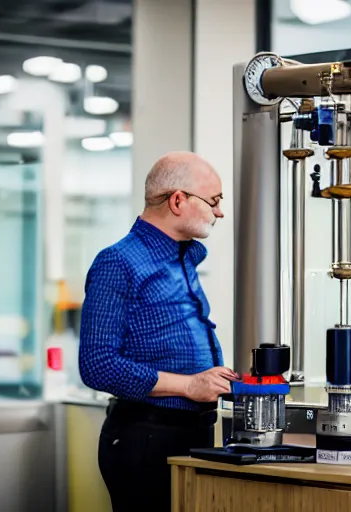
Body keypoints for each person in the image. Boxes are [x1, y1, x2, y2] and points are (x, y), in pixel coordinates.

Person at [79, 151, 239, 512]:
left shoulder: (182, 258)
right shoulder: (117, 263)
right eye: (214, 201)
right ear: (178, 200)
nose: (219, 212)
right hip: (146, 437)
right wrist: (189, 385)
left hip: (190, 432)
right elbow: (97, 365)